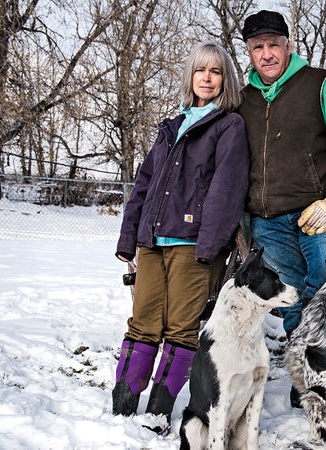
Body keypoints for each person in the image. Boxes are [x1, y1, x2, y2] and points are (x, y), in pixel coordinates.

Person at [111, 41, 249, 424]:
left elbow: (227, 189)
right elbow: (145, 183)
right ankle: (123, 408)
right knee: (142, 323)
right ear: (190, 75)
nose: (207, 78)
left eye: (216, 71)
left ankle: (157, 413)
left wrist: (209, 246)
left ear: (226, 79)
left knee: (180, 328)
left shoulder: (228, 126)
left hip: (192, 245)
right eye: (200, 70)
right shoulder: (173, 125)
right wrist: (129, 238)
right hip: (152, 241)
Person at [238, 10, 326, 339]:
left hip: (317, 212)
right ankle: (305, 371)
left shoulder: (320, 84)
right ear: (249, 52)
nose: (266, 54)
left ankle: (325, 360)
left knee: (325, 287)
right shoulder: (242, 101)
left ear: (288, 45)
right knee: (292, 295)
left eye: (273, 45)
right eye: (257, 47)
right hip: (268, 220)